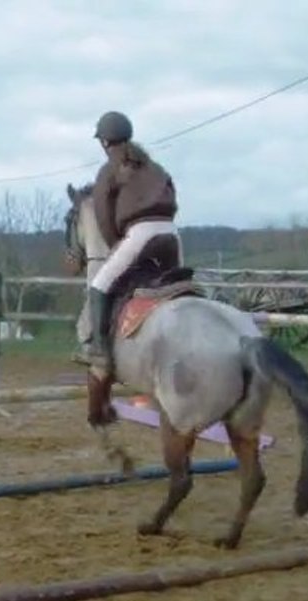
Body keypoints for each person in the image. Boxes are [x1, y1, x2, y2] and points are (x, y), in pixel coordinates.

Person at [83, 110, 184, 425]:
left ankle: (100, 353)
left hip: (140, 234)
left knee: (100, 284)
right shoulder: (156, 167)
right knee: (179, 289)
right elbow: (173, 197)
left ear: (103, 141)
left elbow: (102, 214)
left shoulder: (109, 169)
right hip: (171, 234)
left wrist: (118, 244)